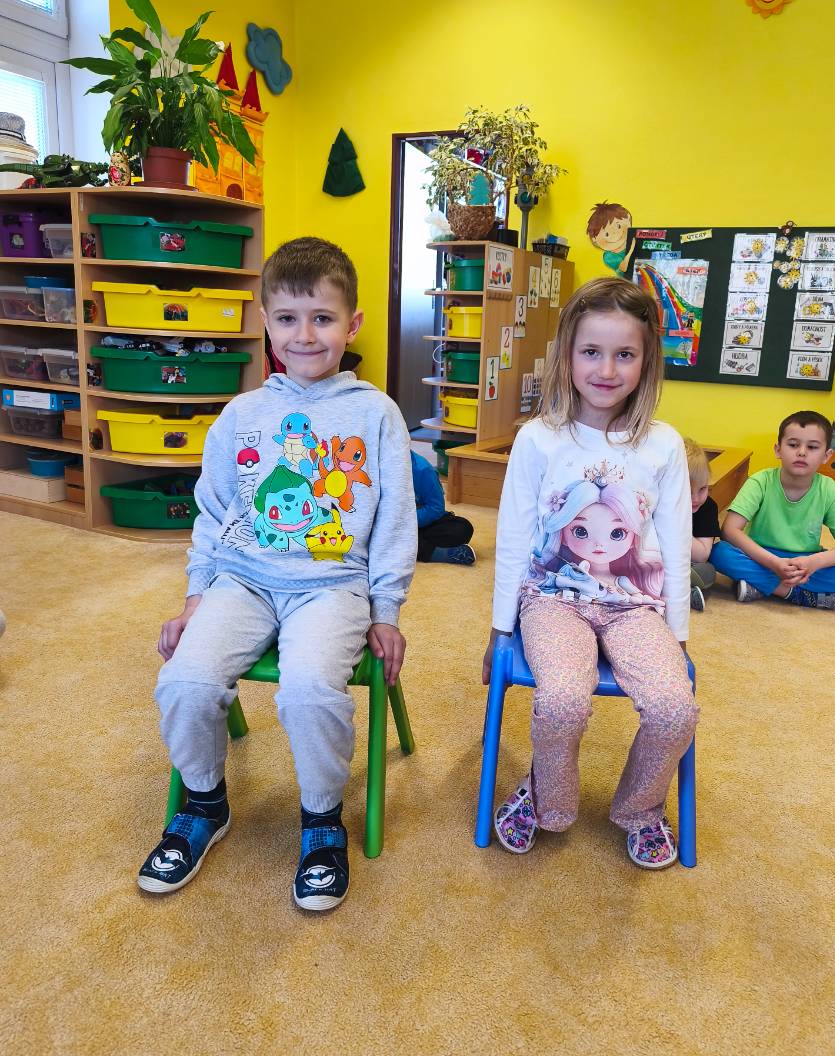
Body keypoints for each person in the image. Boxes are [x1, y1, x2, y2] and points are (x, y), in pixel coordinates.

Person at [137, 237, 416, 912]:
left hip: (332, 586)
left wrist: (386, 611)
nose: (304, 335)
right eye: (287, 318)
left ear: (352, 324)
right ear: (266, 322)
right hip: (242, 581)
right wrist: (195, 598)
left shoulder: (376, 413)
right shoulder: (241, 415)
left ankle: (321, 819)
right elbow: (212, 513)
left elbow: (396, 522)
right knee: (183, 682)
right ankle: (204, 805)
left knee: (309, 692)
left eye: (322, 318)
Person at [482, 277, 697, 869]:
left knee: (675, 708)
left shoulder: (664, 445)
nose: (606, 369)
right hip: (552, 601)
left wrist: (678, 636)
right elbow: (513, 539)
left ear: (646, 361)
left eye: (624, 354)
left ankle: (640, 810)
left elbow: (675, 545)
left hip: (635, 607)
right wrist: (500, 630)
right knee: (562, 701)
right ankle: (544, 799)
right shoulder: (538, 439)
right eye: (591, 352)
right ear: (567, 356)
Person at [710, 411, 835, 611]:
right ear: (778, 450)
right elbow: (729, 530)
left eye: (812, 447)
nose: (802, 452)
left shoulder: (831, 491)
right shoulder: (760, 481)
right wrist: (773, 563)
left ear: (827, 455)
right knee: (719, 552)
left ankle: (765, 586)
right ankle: (799, 595)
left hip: (805, 562)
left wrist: (813, 562)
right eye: (793, 445)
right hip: (762, 556)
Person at [411, 450, 475, 565]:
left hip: (414, 522)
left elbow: (435, 508)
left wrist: (406, 522)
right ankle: (437, 553)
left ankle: (408, 547)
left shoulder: (423, 469)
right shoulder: (377, 467)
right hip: (386, 526)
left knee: (462, 528)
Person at [683, 437, 720, 611]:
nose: (696, 498)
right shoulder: (658, 503)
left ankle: (679, 592)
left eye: (702, 489)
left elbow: (701, 555)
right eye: (687, 491)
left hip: (688, 564)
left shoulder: (708, 507)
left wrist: (677, 524)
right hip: (655, 562)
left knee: (708, 571)